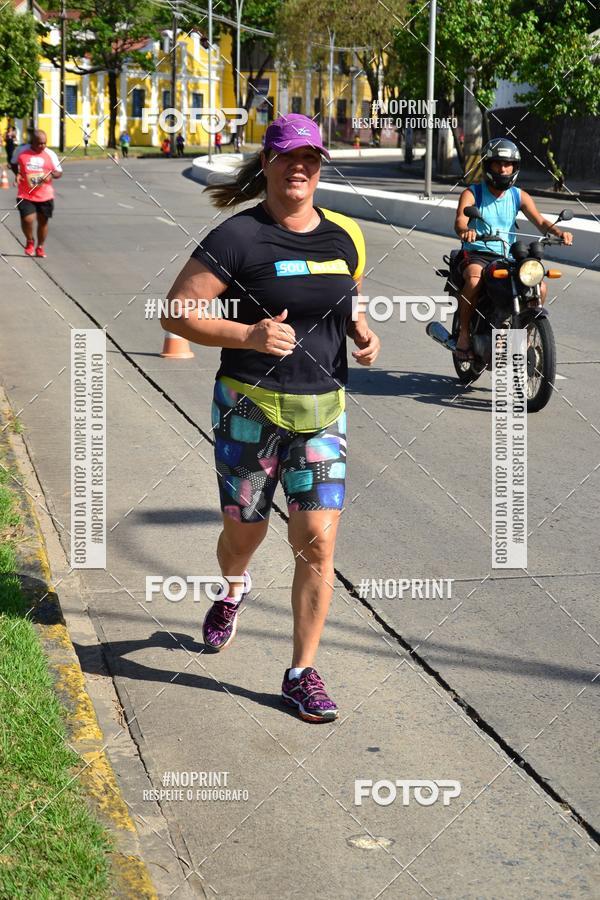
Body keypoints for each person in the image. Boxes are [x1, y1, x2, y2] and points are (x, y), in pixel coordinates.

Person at [162, 113, 380, 723]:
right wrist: (247, 334)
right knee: (244, 535)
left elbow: (347, 294)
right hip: (248, 409)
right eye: (288, 156)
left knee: (316, 543)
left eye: (311, 157)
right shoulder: (237, 237)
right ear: (268, 163)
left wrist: (359, 329)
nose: (300, 167)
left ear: (320, 165)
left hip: (322, 412)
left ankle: (301, 671)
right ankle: (234, 587)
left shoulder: (344, 236)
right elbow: (176, 314)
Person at [453, 138, 574, 360]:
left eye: (508, 164)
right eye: (498, 163)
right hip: (478, 252)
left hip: (506, 255)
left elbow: (540, 221)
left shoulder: (518, 195)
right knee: (474, 280)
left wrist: (559, 233)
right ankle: (463, 335)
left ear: (515, 168)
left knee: (540, 286)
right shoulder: (473, 193)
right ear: (488, 165)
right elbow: (460, 220)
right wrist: (466, 231)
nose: (503, 169)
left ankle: (526, 333)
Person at [10, 129, 62, 258]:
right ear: (32, 142)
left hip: (45, 194)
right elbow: (13, 163)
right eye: (39, 143)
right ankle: (29, 241)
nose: (42, 146)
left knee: (43, 221)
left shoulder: (50, 154)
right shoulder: (21, 151)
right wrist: (17, 174)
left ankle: (40, 246)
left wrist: (50, 176)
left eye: (44, 143)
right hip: (25, 193)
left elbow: (59, 172)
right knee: (27, 219)